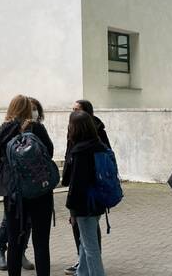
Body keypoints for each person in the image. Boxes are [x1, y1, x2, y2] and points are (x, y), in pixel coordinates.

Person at [0, 95, 54, 276]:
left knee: (14, 241)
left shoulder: (2, 132)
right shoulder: (36, 128)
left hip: (13, 193)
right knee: (41, 242)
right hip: (39, 190)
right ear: (28, 110)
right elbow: (49, 153)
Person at [64, 100, 109, 275]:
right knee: (85, 242)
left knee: (91, 248)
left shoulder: (80, 151)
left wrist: (72, 211)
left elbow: (76, 184)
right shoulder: (98, 146)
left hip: (85, 205)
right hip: (98, 200)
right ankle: (81, 273)